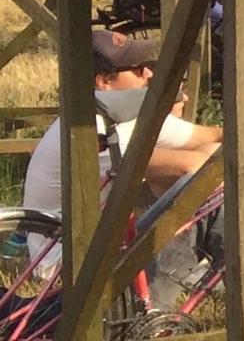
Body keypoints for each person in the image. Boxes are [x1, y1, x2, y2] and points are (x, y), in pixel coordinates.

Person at [21, 30, 221, 227]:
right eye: (138, 69)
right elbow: (193, 168)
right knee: (209, 172)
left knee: (211, 156)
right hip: (71, 255)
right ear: (104, 81)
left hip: (106, 239)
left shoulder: (127, 116)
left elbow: (214, 137)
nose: (149, 73)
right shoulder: (88, 129)